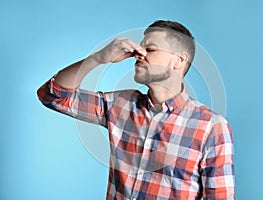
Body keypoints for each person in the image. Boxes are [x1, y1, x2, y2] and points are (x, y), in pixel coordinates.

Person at [37, 20, 235, 200]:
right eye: (141, 48)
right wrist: (98, 58)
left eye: (151, 49)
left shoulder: (212, 127)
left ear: (179, 60)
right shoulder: (120, 104)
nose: (139, 55)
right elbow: (52, 96)